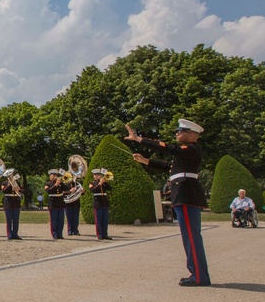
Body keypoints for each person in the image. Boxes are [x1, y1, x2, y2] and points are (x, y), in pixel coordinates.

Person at [126, 119, 211, 287]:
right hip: (184, 196)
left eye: (181, 131)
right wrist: (146, 161)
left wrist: (139, 139)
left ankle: (199, 276)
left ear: (192, 134)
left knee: (192, 238)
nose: (177, 133)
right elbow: (169, 166)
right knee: (190, 237)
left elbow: (168, 149)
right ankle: (197, 273)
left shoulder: (191, 149)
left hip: (186, 195)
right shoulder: (186, 153)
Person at [89, 169, 113, 241]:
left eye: (99, 175)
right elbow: (93, 190)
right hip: (97, 204)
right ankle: (100, 234)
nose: (98, 176)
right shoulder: (92, 183)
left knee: (105, 220)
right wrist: (99, 184)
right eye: (96, 175)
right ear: (94, 176)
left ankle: (105, 234)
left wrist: (105, 182)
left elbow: (110, 188)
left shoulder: (104, 183)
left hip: (104, 203)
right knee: (98, 220)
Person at [44, 169, 67, 240]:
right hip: (53, 203)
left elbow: (66, 188)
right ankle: (54, 234)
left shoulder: (60, 183)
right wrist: (55, 185)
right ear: (50, 176)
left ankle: (60, 234)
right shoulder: (48, 183)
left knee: (61, 220)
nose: (55, 176)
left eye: (56, 175)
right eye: (53, 175)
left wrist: (62, 183)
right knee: (54, 221)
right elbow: (49, 191)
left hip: (60, 203)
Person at [0, 175, 22, 240]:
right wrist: (9, 184)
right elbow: (4, 191)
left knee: (16, 220)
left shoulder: (17, 183)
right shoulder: (4, 183)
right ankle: (9, 234)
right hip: (8, 203)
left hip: (16, 203)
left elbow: (22, 190)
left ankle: (15, 234)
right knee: (9, 220)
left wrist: (18, 188)